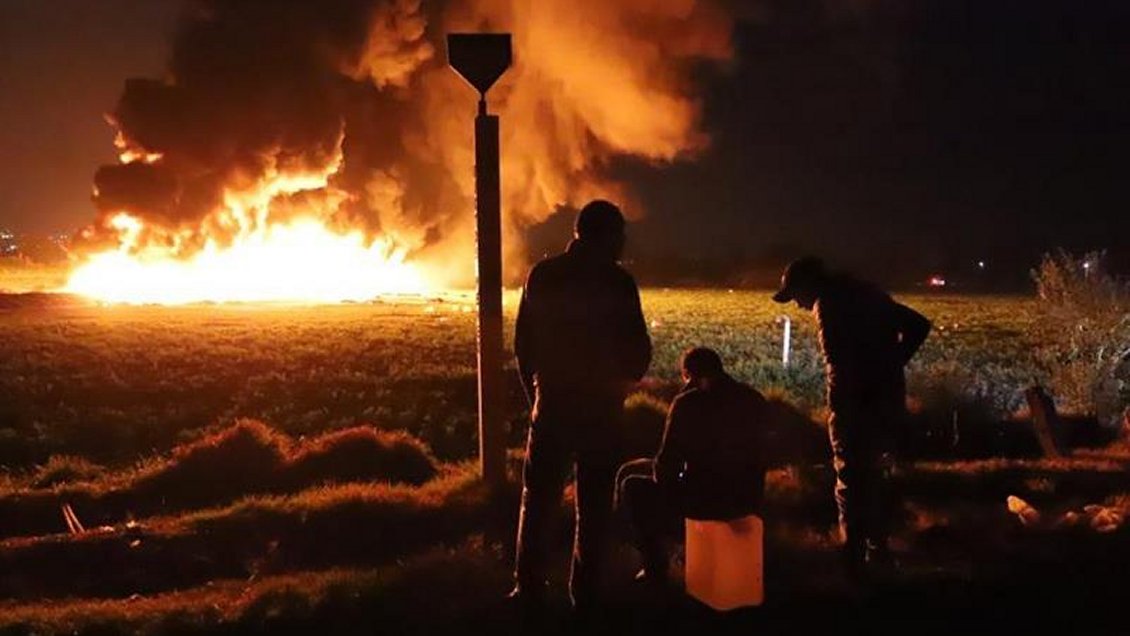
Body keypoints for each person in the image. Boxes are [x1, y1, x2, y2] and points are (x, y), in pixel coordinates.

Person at [510, 199, 652, 613]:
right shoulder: (618, 282)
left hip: (553, 404)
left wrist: (536, 396)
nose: (623, 243)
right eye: (619, 235)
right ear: (606, 235)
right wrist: (621, 389)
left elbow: (524, 346)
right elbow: (639, 348)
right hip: (601, 410)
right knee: (594, 506)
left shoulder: (544, 275)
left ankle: (529, 590)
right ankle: (586, 595)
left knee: (537, 502)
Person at [772, 256, 930, 578]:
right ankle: (879, 550)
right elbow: (918, 325)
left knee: (851, 476)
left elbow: (839, 365)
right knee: (876, 474)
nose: (799, 305)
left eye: (796, 295)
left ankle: (853, 557)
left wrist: (846, 400)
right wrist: (893, 364)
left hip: (856, 406)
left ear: (808, 285)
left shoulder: (828, 304)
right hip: (887, 400)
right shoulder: (866, 293)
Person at [617, 347, 768, 586]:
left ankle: (654, 566)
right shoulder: (754, 399)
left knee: (630, 484)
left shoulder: (688, 403)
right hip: (747, 500)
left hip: (704, 501)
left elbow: (665, 469)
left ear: (688, 375)